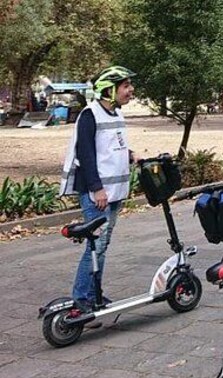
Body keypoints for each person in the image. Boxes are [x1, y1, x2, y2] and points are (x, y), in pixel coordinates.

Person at [59, 65, 135, 312]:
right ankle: (82, 299)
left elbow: (114, 147)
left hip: (115, 193)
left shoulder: (115, 114)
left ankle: (94, 295)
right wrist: (96, 189)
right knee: (96, 246)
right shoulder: (90, 114)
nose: (130, 91)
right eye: (125, 86)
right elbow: (86, 154)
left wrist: (134, 156)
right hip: (98, 194)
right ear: (109, 90)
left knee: (101, 247)